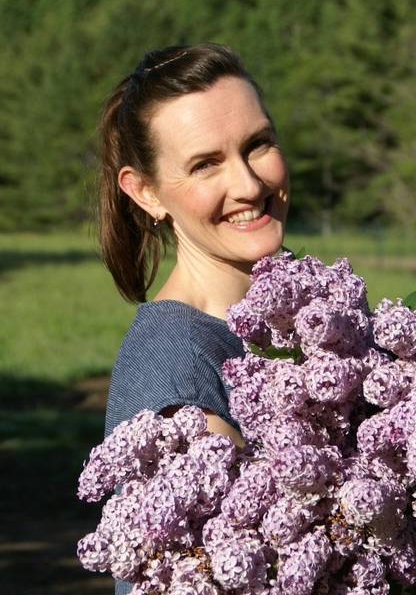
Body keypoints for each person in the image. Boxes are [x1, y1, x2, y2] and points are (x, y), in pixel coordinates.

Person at [96, 43, 289, 595]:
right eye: (206, 164)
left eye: (258, 145)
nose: (250, 185)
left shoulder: (310, 319)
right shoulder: (179, 365)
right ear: (146, 192)